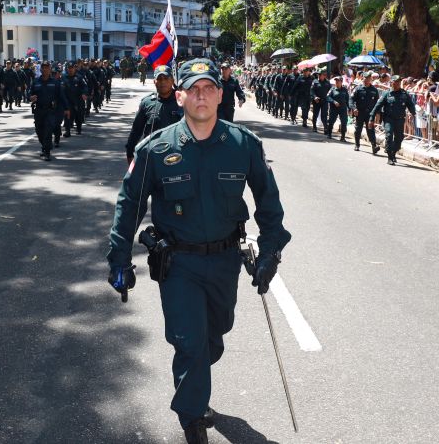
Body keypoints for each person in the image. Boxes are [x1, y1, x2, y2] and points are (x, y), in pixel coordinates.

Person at [106, 58, 291, 443]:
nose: (202, 96)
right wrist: (119, 259)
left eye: (209, 88)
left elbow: (269, 207)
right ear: (180, 96)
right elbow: (129, 206)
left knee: (214, 336)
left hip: (224, 262)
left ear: (220, 94)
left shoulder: (244, 145)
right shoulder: (156, 148)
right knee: (189, 341)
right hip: (179, 264)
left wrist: (271, 251)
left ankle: (196, 387)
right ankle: (192, 419)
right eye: (193, 89)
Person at [125, 64, 183, 163]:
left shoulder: (183, 101)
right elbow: (136, 131)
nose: (163, 82)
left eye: (166, 78)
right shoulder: (147, 103)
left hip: (179, 155)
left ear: (172, 80)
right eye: (159, 79)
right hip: (152, 156)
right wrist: (130, 153)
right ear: (154, 82)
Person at [369, 76, 415, 165]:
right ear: (392, 83)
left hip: (400, 120)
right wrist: (371, 118)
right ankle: (390, 156)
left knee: (399, 138)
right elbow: (377, 106)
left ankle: (393, 152)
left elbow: (410, 104)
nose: (397, 84)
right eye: (396, 82)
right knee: (389, 136)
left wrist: (412, 113)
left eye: (399, 82)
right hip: (388, 119)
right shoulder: (387, 94)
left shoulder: (404, 94)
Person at [29, 61, 69, 161]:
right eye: (43, 67)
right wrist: (30, 97)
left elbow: (62, 96)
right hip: (38, 110)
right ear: (41, 69)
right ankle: (44, 146)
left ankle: (47, 152)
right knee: (39, 131)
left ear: (50, 69)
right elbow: (29, 93)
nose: (45, 69)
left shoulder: (55, 82)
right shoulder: (36, 81)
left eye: (47, 67)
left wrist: (67, 109)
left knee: (48, 131)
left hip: (50, 111)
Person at [350, 72, 381, 153]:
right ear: (362, 78)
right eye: (365, 78)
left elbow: (377, 103)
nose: (366, 80)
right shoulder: (358, 88)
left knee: (370, 130)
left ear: (370, 79)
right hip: (359, 113)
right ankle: (357, 144)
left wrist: (377, 113)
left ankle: (374, 146)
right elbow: (351, 99)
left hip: (370, 114)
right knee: (358, 129)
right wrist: (354, 108)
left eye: (368, 78)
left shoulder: (374, 90)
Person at [62, 62, 89, 137]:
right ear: (67, 69)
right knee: (67, 115)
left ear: (74, 68)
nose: (70, 70)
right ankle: (67, 131)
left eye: (72, 68)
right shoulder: (64, 77)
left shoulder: (79, 77)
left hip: (78, 100)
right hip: (68, 100)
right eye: (69, 68)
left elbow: (85, 87)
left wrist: (84, 93)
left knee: (78, 115)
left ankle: (79, 128)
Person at [326, 75, 349, 141]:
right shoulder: (332, 89)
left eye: (338, 81)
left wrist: (349, 108)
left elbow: (347, 99)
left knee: (344, 122)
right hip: (334, 108)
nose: (336, 82)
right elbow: (327, 97)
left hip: (343, 108)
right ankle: (329, 133)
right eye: (336, 81)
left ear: (341, 82)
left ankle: (343, 136)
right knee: (331, 121)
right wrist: (333, 101)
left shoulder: (345, 90)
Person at [310, 69, 331, 133]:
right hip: (317, 101)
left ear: (324, 75)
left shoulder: (327, 82)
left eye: (320, 75)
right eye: (318, 75)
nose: (319, 76)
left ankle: (325, 128)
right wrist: (314, 97)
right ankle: (314, 127)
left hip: (324, 101)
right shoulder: (315, 81)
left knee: (324, 115)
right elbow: (311, 91)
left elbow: (330, 91)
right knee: (315, 114)